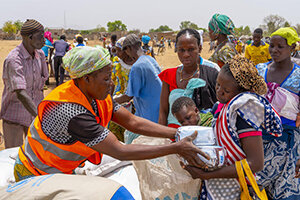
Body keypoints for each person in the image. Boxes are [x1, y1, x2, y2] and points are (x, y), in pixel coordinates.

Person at [13, 46, 207, 184]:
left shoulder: (95, 95)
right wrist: (176, 148)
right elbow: (119, 150)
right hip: (38, 173)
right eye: (106, 78)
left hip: (60, 168)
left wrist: (174, 133)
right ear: (87, 78)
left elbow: (132, 121)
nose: (111, 83)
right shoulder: (71, 111)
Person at [181, 55, 283, 200]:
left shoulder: (242, 112)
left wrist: (207, 175)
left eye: (226, 90)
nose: (219, 91)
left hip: (236, 189)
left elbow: (255, 163)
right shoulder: (222, 107)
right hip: (219, 186)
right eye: (217, 85)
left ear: (242, 91)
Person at [256, 27, 300, 200]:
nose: (274, 50)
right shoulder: (260, 71)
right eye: (271, 45)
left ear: (292, 48)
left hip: (290, 143)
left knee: (286, 192)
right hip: (259, 141)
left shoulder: (298, 75)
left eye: (280, 46)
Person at [0, 19, 49, 148]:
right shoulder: (14, 59)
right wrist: (39, 117)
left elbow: (40, 87)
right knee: (14, 155)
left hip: (34, 118)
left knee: (35, 155)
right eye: (41, 36)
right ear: (30, 37)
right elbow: (21, 92)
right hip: (14, 117)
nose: (44, 40)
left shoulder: (40, 55)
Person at [158, 28, 219, 128]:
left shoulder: (211, 74)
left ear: (199, 48)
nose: (186, 55)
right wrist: (162, 138)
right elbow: (163, 112)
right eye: (181, 50)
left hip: (203, 136)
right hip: (173, 136)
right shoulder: (169, 76)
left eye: (191, 49)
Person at [114, 34, 162, 143]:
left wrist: (110, 101)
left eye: (125, 50)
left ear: (129, 48)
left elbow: (128, 96)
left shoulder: (137, 66)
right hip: (159, 112)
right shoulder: (150, 59)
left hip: (147, 117)